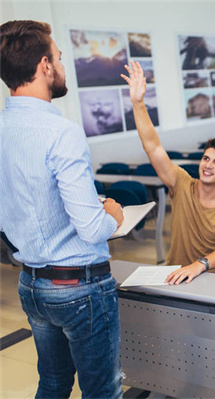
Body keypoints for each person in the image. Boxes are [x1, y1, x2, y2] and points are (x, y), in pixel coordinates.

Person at [0, 20, 125, 397]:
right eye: (58, 57)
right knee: (102, 390)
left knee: (52, 382)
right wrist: (112, 217)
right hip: (79, 287)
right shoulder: (62, 132)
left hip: (32, 283)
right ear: (44, 66)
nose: (62, 65)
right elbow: (90, 228)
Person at [122, 61, 215, 284]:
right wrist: (138, 103)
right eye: (206, 158)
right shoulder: (181, 183)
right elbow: (153, 147)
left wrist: (199, 265)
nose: (208, 165)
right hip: (175, 277)